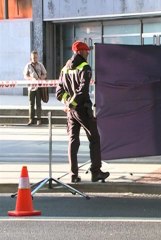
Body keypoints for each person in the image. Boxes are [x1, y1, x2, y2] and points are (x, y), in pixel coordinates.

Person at [56, 41, 110, 183]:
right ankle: (96, 172)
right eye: (86, 50)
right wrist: (73, 104)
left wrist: (68, 104)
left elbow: (59, 92)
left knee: (73, 141)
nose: (88, 53)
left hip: (71, 112)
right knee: (94, 138)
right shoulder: (85, 67)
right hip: (82, 109)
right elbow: (82, 91)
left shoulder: (64, 68)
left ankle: (73, 175)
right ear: (79, 51)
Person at [23, 51, 47, 126]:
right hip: (31, 87)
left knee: (38, 104)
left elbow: (45, 74)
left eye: (36, 57)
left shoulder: (40, 65)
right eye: (33, 57)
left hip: (39, 87)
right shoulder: (28, 65)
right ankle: (31, 119)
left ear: (37, 57)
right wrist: (31, 78)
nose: (34, 59)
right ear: (31, 57)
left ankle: (39, 119)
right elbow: (25, 76)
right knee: (31, 104)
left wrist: (41, 78)